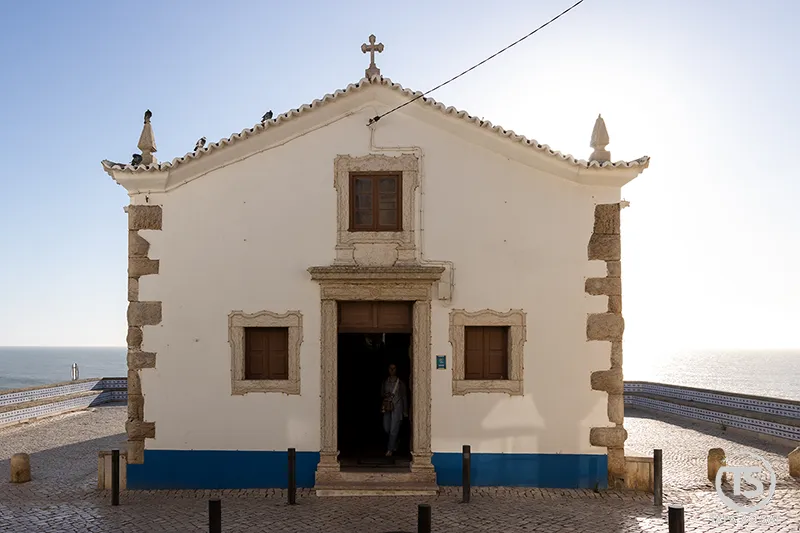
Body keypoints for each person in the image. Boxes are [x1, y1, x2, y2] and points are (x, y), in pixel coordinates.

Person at [381, 363, 408, 457]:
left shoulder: (400, 383)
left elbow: (404, 396)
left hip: (397, 406)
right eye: (390, 368)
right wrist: (386, 395)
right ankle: (396, 440)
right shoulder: (385, 381)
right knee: (386, 428)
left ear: (397, 369)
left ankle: (390, 449)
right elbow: (381, 394)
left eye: (394, 368)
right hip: (388, 406)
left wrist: (405, 411)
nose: (392, 370)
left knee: (393, 429)